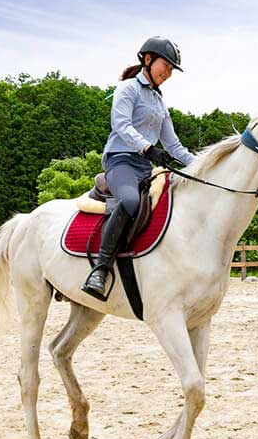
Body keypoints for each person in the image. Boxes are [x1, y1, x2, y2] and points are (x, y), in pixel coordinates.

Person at [82, 37, 196, 300]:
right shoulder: (127, 88)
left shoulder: (159, 101)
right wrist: (147, 148)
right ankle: (100, 269)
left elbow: (175, 146)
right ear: (148, 60)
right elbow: (121, 124)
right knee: (131, 201)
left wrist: (201, 167)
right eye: (165, 66)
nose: (168, 73)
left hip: (145, 166)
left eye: (171, 69)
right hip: (120, 160)